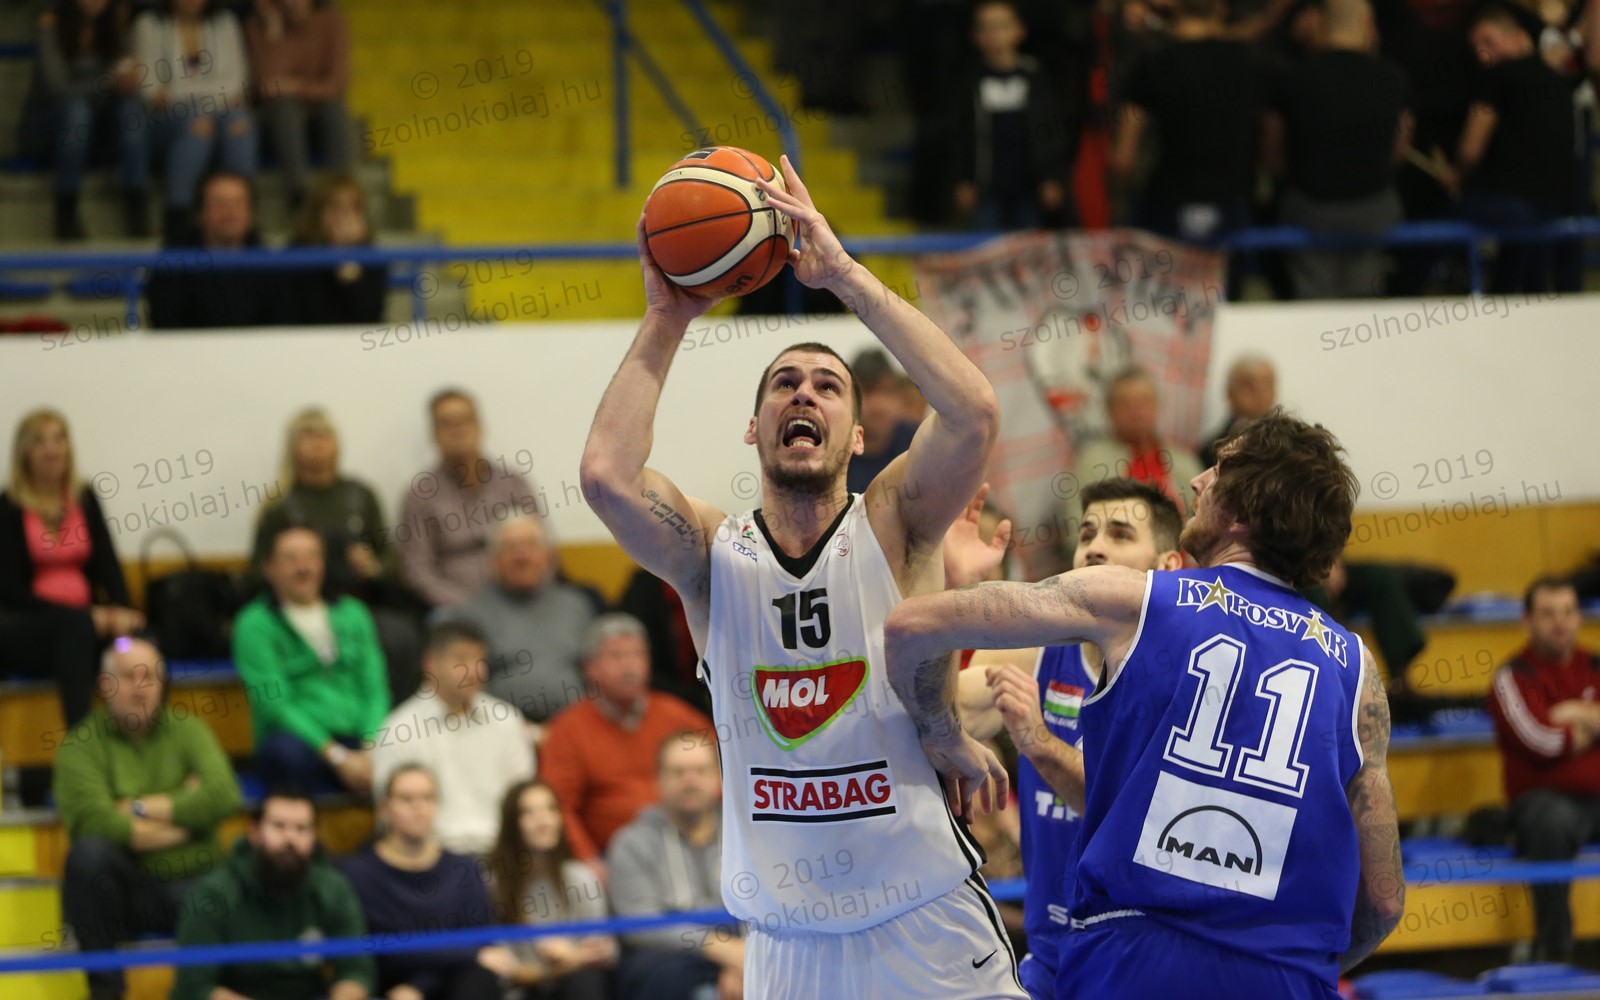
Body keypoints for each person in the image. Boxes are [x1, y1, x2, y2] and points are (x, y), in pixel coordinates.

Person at [580, 154, 1023, 998]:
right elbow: (605, 477)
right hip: (787, 946)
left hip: (923, 922)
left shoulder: (894, 522)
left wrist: (844, 274)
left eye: (827, 387)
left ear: (857, 436)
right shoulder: (710, 554)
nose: (804, 395)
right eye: (784, 385)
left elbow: (974, 412)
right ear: (756, 429)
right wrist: (668, 317)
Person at [884, 409, 1405, 998]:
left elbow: (909, 625)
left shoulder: (1136, 600)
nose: (1197, 480)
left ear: (1245, 510)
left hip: (1134, 959)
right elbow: (1385, 900)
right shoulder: (1357, 669)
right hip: (1287, 976)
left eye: (1219, 469)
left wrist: (940, 729)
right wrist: (1298, 960)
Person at [956, 478, 1185, 999]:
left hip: (1143, 970)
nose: (1094, 547)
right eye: (1086, 534)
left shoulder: (1187, 678)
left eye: (1120, 534)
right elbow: (928, 713)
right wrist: (954, 585)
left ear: (1168, 566)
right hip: (1052, 961)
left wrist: (1039, 742)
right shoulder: (1034, 656)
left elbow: (1126, 814)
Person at [54, 637, 242, 1000]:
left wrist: (137, 808)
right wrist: (189, 818)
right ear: (105, 684)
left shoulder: (189, 730)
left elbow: (225, 796)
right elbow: (99, 823)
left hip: (194, 882)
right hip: (125, 896)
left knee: (234, 881)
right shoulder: (80, 745)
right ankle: (106, 992)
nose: (141, 689)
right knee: (87, 857)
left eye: (151, 677)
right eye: (129, 677)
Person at [250, 406, 421, 702]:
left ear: (337, 443)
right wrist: (294, 568)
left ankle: (395, 719)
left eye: (325, 436)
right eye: (308, 437)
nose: (318, 444)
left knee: (401, 636)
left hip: (358, 604)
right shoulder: (280, 506)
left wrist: (373, 566)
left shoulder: (360, 495)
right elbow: (257, 569)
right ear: (293, 447)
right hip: (301, 607)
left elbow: (390, 557)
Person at [0, 408, 142, 729]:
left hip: (88, 628)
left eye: (58, 439)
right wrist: (82, 616)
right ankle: (81, 744)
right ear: (24, 452)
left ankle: (154, 742)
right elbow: (9, 591)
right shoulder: (9, 506)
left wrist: (121, 612)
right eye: (40, 441)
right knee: (75, 629)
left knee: (141, 641)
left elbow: (108, 564)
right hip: (30, 632)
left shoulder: (84, 497)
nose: (51, 449)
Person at [538, 614, 712, 867]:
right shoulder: (567, 731)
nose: (629, 666)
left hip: (693, 849)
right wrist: (588, 860)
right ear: (589, 668)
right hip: (610, 860)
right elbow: (558, 808)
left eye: (637, 654)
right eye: (616, 656)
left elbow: (723, 778)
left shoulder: (680, 717)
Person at [1486, 576, 1600, 963]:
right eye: (1548, 614)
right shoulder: (1513, 676)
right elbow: (1539, 741)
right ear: (1527, 622)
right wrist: (1591, 725)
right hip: (1543, 802)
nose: (1560, 622)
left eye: (1568, 612)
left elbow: (1553, 732)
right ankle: (1555, 950)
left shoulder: (1595, 665)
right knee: (1550, 822)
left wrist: (1571, 713)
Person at [171, 787, 376, 1000]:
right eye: (278, 826)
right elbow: (195, 986)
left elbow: (357, 970)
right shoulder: (214, 892)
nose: (290, 838)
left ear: (314, 837)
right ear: (255, 833)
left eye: (301, 828)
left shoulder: (332, 887)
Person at [1269, 0, 1413, 299]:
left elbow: (1274, 156)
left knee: (1313, 293)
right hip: (1374, 210)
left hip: (1309, 210)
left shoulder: (1291, 77)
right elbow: (1399, 153)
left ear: (1320, 24)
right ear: (1369, 26)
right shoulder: (1393, 77)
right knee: (1364, 292)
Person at [233, 524, 390, 794]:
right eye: (291, 559)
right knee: (286, 757)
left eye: (312, 557)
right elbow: (275, 705)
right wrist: (336, 756)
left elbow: (374, 687)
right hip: (301, 741)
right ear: (269, 568)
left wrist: (371, 745)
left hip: (358, 736)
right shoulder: (254, 624)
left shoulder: (353, 613)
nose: (303, 567)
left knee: (410, 747)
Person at [371, 621, 535, 856]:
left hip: (502, 854)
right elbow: (390, 814)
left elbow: (523, 798)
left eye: (480, 660)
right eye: (461, 660)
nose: (475, 671)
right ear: (431, 664)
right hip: (430, 856)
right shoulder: (398, 730)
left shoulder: (506, 720)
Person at [341, 765, 504, 1000]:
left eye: (428, 798)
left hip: (455, 983)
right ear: (384, 808)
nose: (419, 808)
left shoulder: (464, 868)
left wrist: (420, 987)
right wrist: (467, 956)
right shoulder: (359, 874)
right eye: (406, 799)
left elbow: (482, 943)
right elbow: (384, 950)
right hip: (389, 985)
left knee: (480, 978)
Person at [1453, 5, 1584, 294]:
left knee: (1438, 215)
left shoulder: (1495, 77)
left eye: (1489, 41)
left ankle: (1412, 288)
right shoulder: (1558, 80)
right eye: (1476, 47)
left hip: (1516, 206)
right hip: (1553, 206)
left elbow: (1470, 150)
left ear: (1519, 37)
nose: (1482, 54)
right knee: (1524, 259)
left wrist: (1456, 176)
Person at [606, 734, 740, 1000]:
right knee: (657, 975)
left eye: (700, 770)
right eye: (678, 772)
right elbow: (640, 924)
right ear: (659, 780)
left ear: (718, 777)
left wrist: (745, 961)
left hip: (745, 946)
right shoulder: (631, 843)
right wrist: (722, 950)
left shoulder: (745, 836)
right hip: (672, 957)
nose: (690, 781)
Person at [440, 516, 597, 724]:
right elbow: (465, 686)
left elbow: (598, 673)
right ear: (493, 559)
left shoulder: (576, 605)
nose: (522, 555)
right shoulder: (471, 614)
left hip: (575, 727)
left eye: (531, 545)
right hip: (500, 729)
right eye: (510, 547)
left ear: (548, 555)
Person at [397, 389, 542, 609]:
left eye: (464, 420)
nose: (457, 429)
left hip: (522, 600)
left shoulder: (513, 484)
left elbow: (543, 550)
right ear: (434, 436)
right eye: (447, 423)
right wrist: (469, 607)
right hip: (456, 610)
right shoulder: (419, 497)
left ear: (480, 427)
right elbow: (417, 571)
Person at [129, 0, 255, 243]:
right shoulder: (148, 24)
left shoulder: (225, 22)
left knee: (239, 124)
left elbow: (236, 84)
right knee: (197, 125)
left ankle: (241, 219)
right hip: (161, 120)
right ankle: (178, 214)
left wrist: (182, 93)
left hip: (215, 111)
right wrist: (210, 97)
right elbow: (151, 90)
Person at [480, 780, 615, 999]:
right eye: (529, 812)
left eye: (550, 809)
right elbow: (492, 956)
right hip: (518, 987)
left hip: (573, 979)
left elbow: (606, 949)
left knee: (587, 980)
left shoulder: (580, 878)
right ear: (511, 823)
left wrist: (575, 956)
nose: (543, 820)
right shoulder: (491, 883)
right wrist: (534, 972)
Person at [29, 0, 148, 239]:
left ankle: (136, 200)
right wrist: (108, 83)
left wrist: (125, 78)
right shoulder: (51, 25)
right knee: (77, 111)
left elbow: (125, 70)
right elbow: (57, 87)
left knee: (130, 110)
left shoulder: (116, 24)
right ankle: (66, 205)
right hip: (51, 124)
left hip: (99, 124)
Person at [950, 0, 1071, 230]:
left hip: (1029, 188)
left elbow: (1051, 131)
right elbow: (960, 136)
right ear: (975, 36)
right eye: (986, 28)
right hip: (987, 189)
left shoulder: (1037, 78)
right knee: (986, 244)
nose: (995, 35)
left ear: (1019, 31)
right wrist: (963, 180)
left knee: (1029, 245)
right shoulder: (968, 82)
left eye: (1002, 26)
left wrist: (1052, 177)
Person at [1063, 367, 1203, 552]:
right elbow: (1076, 534)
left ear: (1157, 406)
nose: (1136, 412)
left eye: (1144, 402)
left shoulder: (1183, 460)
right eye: (1125, 404)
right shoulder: (1091, 463)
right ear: (1109, 410)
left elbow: (1206, 523)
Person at [145, 171, 289, 329]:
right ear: (199, 212)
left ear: (251, 213)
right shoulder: (174, 261)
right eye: (219, 203)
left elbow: (280, 323)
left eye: (238, 203)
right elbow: (166, 321)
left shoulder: (269, 263)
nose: (229, 212)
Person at [244, 0, 351, 209]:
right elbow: (269, 86)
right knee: (286, 108)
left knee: (334, 109)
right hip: (274, 119)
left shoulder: (332, 21)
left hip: (318, 111)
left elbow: (338, 84)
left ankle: (340, 193)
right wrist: (274, 33)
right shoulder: (257, 25)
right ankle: (299, 195)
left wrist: (296, 87)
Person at [287, 173, 389, 325]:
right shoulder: (297, 252)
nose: (345, 216)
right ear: (318, 213)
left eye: (353, 208)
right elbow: (308, 314)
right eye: (336, 207)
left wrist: (348, 265)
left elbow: (370, 317)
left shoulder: (371, 257)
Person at [844, 348, 920, 495]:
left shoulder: (917, 441)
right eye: (869, 392)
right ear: (850, 397)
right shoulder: (836, 449)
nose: (879, 405)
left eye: (887, 391)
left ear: (899, 396)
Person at [1199, 354, 1276, 468]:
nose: (1261, 393)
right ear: (1229, 391)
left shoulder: (1285, 447)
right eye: (1251, 386)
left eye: (1268, 385)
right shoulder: (1210, 451)